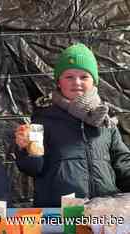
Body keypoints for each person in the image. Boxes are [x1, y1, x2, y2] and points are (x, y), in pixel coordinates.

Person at [14, 43, 130, 207]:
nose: (77, 82)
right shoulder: (42, 120)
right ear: (59, 82)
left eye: (84, 77)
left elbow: (123, 164)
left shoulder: (106, 121)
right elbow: (33, 169)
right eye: (69, 76)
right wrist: (25, 149)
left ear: (94, 82)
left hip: (102, 213)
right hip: (59, 213)